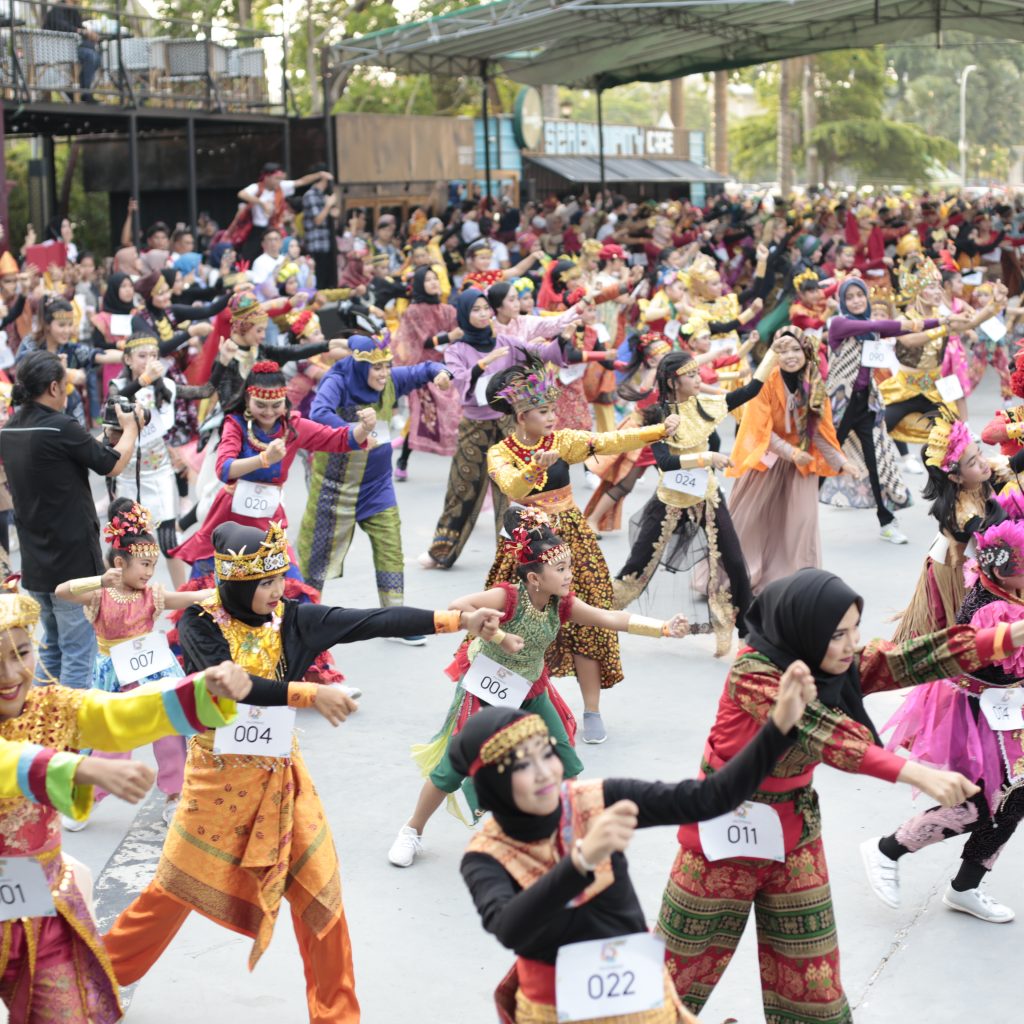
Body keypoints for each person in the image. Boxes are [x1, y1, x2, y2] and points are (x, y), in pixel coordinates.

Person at [103, 521, 502, 1023]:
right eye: (265, 583)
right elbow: (234, 686)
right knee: (172, 892)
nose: (277, 592)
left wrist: (457, 620)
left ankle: (336, 1016)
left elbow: (373, 620)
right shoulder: (199, 625)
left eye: (279, 579)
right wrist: (311, 694)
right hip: (215, 787)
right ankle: (96, 979)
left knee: (322, 894)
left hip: (282, 782)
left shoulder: (291, 618)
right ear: (238, 582)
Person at [656, 568, 1021, 1021]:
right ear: (803, 629)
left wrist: (1010, 634)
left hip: (794, 840)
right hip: (719, 843)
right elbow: (820, 730)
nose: (851, 645)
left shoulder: (836, 664)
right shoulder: (755, 672)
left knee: (814, 990)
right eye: (837, 634)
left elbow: (910, 657)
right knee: (673, 981)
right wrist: (916, 774)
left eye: (855, 630)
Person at [451, 667, 814, 1024]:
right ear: (491, 782)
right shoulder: (486, 855)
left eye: (545, 753)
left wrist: (777, 730)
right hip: (554, 1012)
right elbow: (507, 926)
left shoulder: (594, 800)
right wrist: (581, 861)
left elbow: (708, 799)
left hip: (642, 1004)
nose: (545, 772)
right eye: (520, 764)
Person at [0, 579, 247, 1023]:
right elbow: (7, 760)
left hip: (34, 899)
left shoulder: (49, 706)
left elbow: (115, 714)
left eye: (20, 653)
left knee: (67, 1014)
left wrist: (199, 689)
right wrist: (77, 769)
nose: (11, 673)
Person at [390, 508, 692, 870]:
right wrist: (498, 636)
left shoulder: (561, 604)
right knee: (453, 768)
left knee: (566, 762)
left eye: (569, 566)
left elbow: (610, 618)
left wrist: (662, 628)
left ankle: (566, 833)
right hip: (485, 691)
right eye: (561, 569)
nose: (569, 575)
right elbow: (459, 607)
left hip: (531, 691)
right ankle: (412, 830)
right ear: (534, 577)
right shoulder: (507, 597)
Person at [483, 362, 678, 742]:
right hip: (526, 545)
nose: (554, 418)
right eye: (545, 412)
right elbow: (513, 487)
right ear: (522, 417)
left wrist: (657, 430)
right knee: (514, 622)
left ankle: (591, 710)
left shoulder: (561, 442)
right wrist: (531, 471)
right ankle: (505, 707)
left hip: (571, 540)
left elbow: (608, 442)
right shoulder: (500, 452)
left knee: (587, 620)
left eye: (553, 411)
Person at [870, 517, 1024, 923]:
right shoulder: (996, 610)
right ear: (1006, 570)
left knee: (1014, 797)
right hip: (974, 714)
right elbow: (1004, 667)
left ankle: (967, 886)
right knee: (978, 803)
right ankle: (890, 848)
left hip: (1000, 708)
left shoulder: (1002, 590)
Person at [54, 499, 213, 825]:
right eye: (142, 564)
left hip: (155, 672)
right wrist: (100, 580)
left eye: (152, 564)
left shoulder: (151, 595)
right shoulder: (100, 595)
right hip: (116, 676)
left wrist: (220, 595)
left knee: (169, 733)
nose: (149, 572)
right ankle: (88, 797)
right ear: (118, 562)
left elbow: (184, 598)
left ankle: (174, 795)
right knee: (114, 739)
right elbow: (61, 591)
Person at [613, 349, 776, 656]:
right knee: (638, 565)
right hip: (670, 499)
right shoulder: (658, 415)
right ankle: (594, 617)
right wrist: (707, 457)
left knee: (735, 563)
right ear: (674, 382)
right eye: (691, 375)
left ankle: (748, 633)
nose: (699, 379)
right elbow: (664, 462)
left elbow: (751, 390)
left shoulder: (704, 405)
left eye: (697, 373)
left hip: (706, 495)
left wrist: (771, 354)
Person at [0, 351, 142, 688]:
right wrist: (132, 428)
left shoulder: (11, 429)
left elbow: (69, 455)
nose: (68, 392)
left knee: (50, 652)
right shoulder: (61, 425)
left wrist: (107, 441)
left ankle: (39, 728)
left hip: (36, 562)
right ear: (52, 387)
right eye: (65, 386)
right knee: (79, 652)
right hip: (73, 563)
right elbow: (113, 465)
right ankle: (73, 738)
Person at [297, 335, 452, 633]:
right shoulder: (338, 381)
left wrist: (441, 374)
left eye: (386, 366)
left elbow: (424, 369)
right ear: (358, 365)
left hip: (377, 487)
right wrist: (355, 429)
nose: (383, 373)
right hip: (334, 485)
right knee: (314, 559)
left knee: (390, 546)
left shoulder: (391, 381)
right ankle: (302, 619)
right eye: (375, 368)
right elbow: (318, 414)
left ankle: (396, 621)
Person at [419, 289, 571, 571]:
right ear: (465, 315)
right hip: (474, 428)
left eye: (485, 309)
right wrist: (481, 365)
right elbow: (459, 380)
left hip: (505, 425)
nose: (482, 314)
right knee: (463, 487)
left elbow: (539, 353)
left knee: (511, 490)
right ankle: (442, 550)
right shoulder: (457, 349)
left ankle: (516, 556)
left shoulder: (506, 342)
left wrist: (561, 339)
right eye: (475, 310)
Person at [726, 326, 862, 593]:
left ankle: (798, 580)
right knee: (750, 521)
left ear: (806, 351)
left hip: (802, 466)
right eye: (782, 350)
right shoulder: (763, 383)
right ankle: (738, 576)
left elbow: (820, 432)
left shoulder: (814, 384)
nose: (789, 355)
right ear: (772, 354)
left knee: (801, 524)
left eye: (795, 349)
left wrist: (841, 462)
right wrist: (791, 453)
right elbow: (761, 430)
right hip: (768, 463)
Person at [893, 413, 1010, 641]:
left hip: (977, 562)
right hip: (954, 571)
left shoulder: (982, 474)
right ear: (956, 478)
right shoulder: (960, 511)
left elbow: (1012, 465)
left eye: (979, 454)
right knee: (948, 626)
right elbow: (992, 528)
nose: (983, 463)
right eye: (973, 463)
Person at [391, 265, 463, 479]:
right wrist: (449, 337)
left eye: (435, 279)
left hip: (446, 369)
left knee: (455, 415)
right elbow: (420, 342)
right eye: (428, 279)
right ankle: (403, 460)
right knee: (420, 417)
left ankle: (462, 465)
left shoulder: (448, 310)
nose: (433, 283)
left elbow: (458, 334)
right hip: (422, 371)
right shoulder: (413, 311)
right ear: (420, 284)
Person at [43, 1, 100, 102]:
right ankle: (84, 93)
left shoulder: (73, 12)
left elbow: (80, 28)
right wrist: (82, 31)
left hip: (72, 49)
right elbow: (63, 27)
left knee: (96, 57)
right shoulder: (56, 10)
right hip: (56, 49)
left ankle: (78, 91)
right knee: (90, 56)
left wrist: (89, 33)